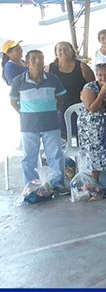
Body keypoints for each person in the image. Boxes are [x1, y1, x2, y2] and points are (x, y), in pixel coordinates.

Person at [9, 49, 66, 191]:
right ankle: (31, 186)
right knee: (29, 158)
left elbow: (60, 99)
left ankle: (57, 184)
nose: (38, 61)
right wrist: (23, 113)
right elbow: (13, 101)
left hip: (51, 123)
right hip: (28, 125)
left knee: (55, 155)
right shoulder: (18, 81)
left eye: (40, 58)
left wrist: (53, 111)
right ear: (27, 62)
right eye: (34, 59)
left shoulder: (53, 79)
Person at [48, 41, 94, 136]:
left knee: (81, 135)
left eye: (66, 49)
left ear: (72, 52)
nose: (63, 52)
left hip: (80, 107)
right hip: (59, 109)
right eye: (60, 50)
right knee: (63, 136)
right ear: (56, 53)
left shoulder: (82, 67)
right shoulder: (49, 68)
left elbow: (92, 86)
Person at [77, 63, 106, 184]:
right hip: (91, 126)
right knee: (94, 155)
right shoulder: (89, 87)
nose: (103, 78)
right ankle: (94, 184)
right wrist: (102, 93)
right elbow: (92, 108)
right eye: (100, 75)